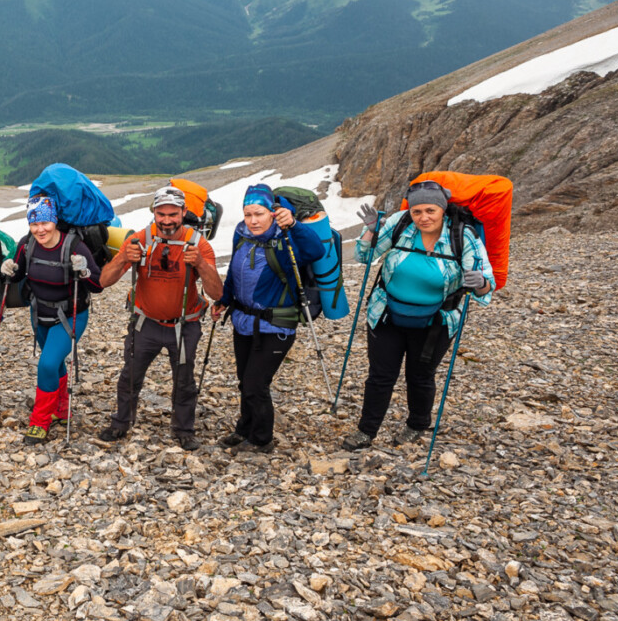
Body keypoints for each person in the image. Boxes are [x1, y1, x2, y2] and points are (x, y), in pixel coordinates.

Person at [341, 182, 494, 450]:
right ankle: (366, 431)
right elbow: (364, 257)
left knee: (420, 375)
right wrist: (372, 229)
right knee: (380, 375)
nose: (423, 217)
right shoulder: (400, 223)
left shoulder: (463, 235)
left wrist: (478, 281)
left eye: (430, 210)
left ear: (443, 210)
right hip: (386, 313)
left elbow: (485, 287)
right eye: (417, 211)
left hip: (437, 320)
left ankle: (417, 424)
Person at [97, 186, 223, 449]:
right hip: (146, 323)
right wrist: (123, 261)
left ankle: (183, 429)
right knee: (130, 376)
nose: (166, 220)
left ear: (184, 212)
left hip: (184, 325)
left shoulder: (198, 244)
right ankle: (121, 423)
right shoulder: (140, 240)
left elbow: (216, 292)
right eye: (161, 214)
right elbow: (105, 281)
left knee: (185, 380)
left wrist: (199, 263)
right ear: (153, 212)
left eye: (173, 214)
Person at [212, 184, 323, 453]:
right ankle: (244, 429)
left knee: (255, 383)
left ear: (272, 213)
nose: (252, 220)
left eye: (259, 214)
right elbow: (235, 276)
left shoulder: (285, 238)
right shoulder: (242, 235)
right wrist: (224, 301)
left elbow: (315, 251)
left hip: (276, 324)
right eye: (248, 214)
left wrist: (294, 225)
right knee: (245, 381)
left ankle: (261, 440)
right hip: (244, 322)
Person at [1, 195, 104, 445]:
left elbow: (97, 284)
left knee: (46, 364)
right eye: (34, 224)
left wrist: (84, 270)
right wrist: (6, 270)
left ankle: (40, 422)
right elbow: (17, 276)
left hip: (71, 316)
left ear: (55, 221)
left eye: (45, 223)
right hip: (39, 313)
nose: (40, 229)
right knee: (56, 364)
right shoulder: (27, 244)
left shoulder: (75, 246)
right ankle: (61, 410)